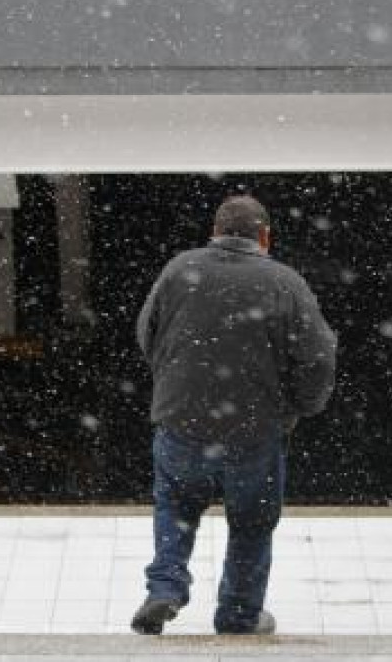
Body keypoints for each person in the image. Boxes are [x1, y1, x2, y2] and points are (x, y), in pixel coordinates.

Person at [131, 194, 337, 635]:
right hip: (255, 431)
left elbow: (146, 333)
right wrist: (300, 406)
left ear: (215, 232)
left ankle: (164, 588)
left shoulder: (179, 270)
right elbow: (318, 357)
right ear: (265, 236)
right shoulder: (285, 283)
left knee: (174, 504)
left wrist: (174, 381)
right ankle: (238, 616)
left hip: (181, 422)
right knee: (251, 525)